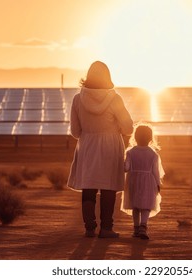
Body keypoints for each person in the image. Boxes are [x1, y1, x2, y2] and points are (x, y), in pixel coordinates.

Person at [67, 61, 133, 238]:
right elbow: (128, 128)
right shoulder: (115, 99)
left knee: (88, 188)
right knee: (108, 188)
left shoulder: (77, 99)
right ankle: (106, 228)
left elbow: (75, 131)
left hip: (87, 146)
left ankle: (89, 228)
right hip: (110, 147)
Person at [121, 123, 164, 240]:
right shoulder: (153, 154)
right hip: (148, 183)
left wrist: (120, 160)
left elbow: (126, 168)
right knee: (146, 206)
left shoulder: (130, 152)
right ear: (150, 138)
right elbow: (156, 172)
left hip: (133, 182)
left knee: (135, 206)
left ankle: (136, 229)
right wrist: (158, 184)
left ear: (135, 137)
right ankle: (143, 227)